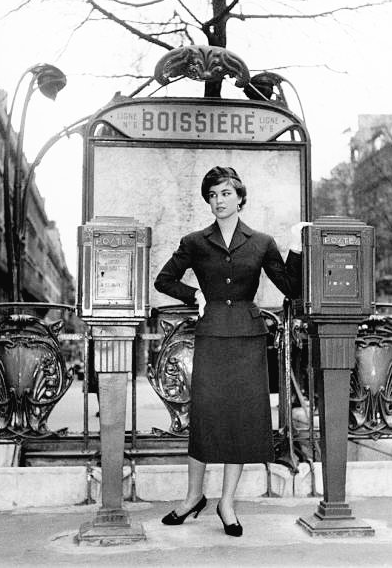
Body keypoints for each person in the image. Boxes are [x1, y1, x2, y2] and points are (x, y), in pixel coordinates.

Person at [154, 166, 305, 537]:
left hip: (248, 338)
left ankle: (227, 502)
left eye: (225, 193)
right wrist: (195, 295)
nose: (218, 201)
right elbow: (164, 279)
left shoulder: (262, 242)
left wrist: (297, 247)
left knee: (238, 420)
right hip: (211, 335)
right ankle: (193, 498)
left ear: (240, 197)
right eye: (212, 195)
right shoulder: (194, 241)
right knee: (204, 418)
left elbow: (291, 287)